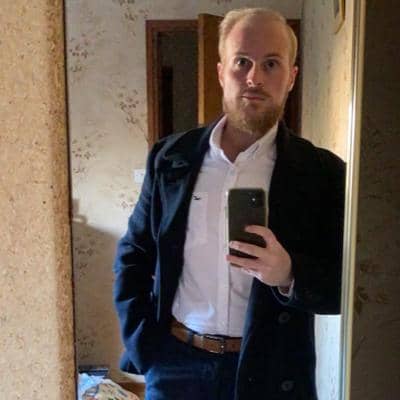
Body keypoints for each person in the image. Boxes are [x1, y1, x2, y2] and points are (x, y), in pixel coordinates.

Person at [113, 7, 345, 400]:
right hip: (175, 366)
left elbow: (347, 284)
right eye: (242, 62)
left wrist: (289, 275)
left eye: (271, 64)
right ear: (222, 72)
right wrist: (142, 343)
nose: (254, 77)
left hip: (273, 371)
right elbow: (134, 253)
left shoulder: (322, 172)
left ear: (291, 77)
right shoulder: (170, 158)